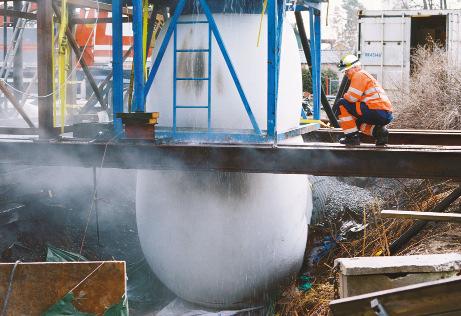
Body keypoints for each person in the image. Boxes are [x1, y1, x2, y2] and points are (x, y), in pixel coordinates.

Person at [337, 54, 393, 146]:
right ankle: (379, 133)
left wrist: (344, 95)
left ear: (355, 67)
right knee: (355, 123)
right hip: (385, 114)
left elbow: (352, 98)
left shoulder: (358, 75)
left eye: (347, 71)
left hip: (376, 110)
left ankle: (352, 138)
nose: (346, 74)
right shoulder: (365, 76)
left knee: (341, 103)